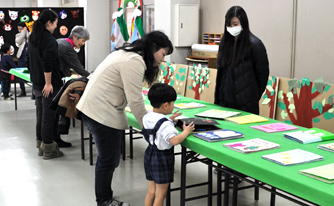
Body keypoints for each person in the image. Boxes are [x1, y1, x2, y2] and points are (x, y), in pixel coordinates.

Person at [76, 30, 173, 206]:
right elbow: (135, 98)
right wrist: (150, 124)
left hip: (96, 107)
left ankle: (104, 198)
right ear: (154, 47)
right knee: (108, 159)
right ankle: (104, 201)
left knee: (109, 158)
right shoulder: (134, 61)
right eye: (163, 54)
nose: (162, 59)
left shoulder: (128, 53)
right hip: (101, 111)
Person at [142, 83, 195, 206]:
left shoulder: (147, 116)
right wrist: (186, 131)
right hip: (162, 158)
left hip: (149, 154)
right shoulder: (165, 124)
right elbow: (174, 140)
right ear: (166, 105)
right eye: (173, 103)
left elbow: (156, 127)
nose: (173, 105)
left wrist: (169, 118)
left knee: (151, 191)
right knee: (160, 195)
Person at [214, 6, 269, 115]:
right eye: (229, 24)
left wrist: (251, 98)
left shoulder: (255, 44)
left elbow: (262, 76)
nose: (232, 27)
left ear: (243, 23)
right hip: (224, 102)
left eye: (235, 24)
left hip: (245, 105)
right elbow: (221, 73)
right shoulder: (225, 43)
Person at [27, 9, 64, 159]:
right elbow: (47, 63)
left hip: (37, 83)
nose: (56, 26)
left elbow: (29, 61)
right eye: (55, 23)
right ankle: (48, 149)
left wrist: (37, 79)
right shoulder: (49, 40)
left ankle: (41, 144)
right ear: (49, 22)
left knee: (41, 116)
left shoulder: (33, 38)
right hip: (47, 85)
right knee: (48, 117)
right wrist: (48, 83)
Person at [54, 25, 90, 147]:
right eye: (82, 40)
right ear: (75, 37)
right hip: (54, 81)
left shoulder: (60, 41)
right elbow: (78, 67)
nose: (83, 43)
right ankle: (55, 138)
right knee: (55, 112)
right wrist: (91, 77)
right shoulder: (66, 48)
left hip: (51, 79)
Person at [15, 21, 30, 97]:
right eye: (18, 29)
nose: (19, 30)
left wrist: (26, 32)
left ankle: (34, 91)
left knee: (32, 73)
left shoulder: (29, 33)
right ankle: (22, 91)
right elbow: (18, 41)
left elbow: (30, 39)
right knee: (20, 75)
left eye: (21, 29)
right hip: (21, 57)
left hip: (29, 57)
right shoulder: (18, 35)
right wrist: (23, 33)